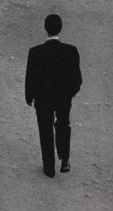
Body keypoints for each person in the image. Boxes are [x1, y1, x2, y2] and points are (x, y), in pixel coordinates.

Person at [24, 13, 82, 178]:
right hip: (63, 97)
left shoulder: (35, 52)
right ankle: (64, 158)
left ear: (45, 28)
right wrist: (70, 93)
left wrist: (29, 96)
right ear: (60, 28)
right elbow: (77, 79)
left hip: (43, 98)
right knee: (63, 124)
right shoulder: (71, 51)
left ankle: (49, 168)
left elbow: (30, 77)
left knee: (45, 129)